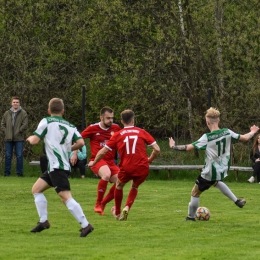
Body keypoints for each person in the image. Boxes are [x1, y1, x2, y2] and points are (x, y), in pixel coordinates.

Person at [168, 107, 259, 221]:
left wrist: (173, 146)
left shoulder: (207, 138)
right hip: (223, 168)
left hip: (210, 171)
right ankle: (237, 201)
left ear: (207, 122)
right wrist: (253, 131)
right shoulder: (227, 131)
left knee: (195, 193)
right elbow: (245, 138)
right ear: (219, 121)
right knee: (216, 182)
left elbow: (188, 148)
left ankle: (190, 217)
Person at [26, 98, 93, 237]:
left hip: (58, 167)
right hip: (57, 166)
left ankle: (86, 225)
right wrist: (68, 148)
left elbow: (34, 140)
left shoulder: (46, 121)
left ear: (49, 111)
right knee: (36, 189)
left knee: (65, 197)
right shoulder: (70, 126)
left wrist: (28, 138)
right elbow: (81, 142)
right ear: (63, 111)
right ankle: (43, 221)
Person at [88, 109, 160, 220]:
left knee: (119, 185)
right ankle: (127, 207)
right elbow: (157, 149)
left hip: (127, 167)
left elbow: (103, 151)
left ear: (122, 121)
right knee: (134, 186)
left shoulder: (118, 134)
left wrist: (94, 162)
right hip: (142, 167)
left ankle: (117, 212)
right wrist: (150, 159)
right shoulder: (142, 132)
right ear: (133, 120)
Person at [80, 106, 121, 215]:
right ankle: (98, 204)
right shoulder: (93, 128)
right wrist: (74, 153)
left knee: (120, 181)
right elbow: (79, 139)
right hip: (97, 161)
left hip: (111, 162)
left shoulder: (116, 128)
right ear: (101, 118)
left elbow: (123, 141)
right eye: (108, 118)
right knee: (106, 174)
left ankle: (103, 204)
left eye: (112, 118)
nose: (111, 120)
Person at [1, 96, 28, 177]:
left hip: (19, 138)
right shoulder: (7, 113)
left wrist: (19, 131)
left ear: (19, 103)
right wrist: (6, 131)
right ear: (11, 103)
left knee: (19, 155)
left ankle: (19, 173)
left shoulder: (23, 113)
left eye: (17, 102)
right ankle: (7, 173)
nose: (15, 103)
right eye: (14, 102)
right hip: (8, 138)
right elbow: (2, 124)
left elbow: (25, 124)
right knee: (8, 156)